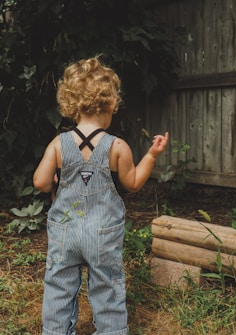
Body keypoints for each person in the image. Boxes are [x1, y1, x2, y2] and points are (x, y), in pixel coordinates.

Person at [33, 57, 169, 335]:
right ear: (109, 105)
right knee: (107, 285)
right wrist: (152, 155)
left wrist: (57, 180)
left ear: (71, 105)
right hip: (103, 232)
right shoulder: (117, 146)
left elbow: (40, 182)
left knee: (59, 284)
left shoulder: (59, 143)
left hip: (64, 231)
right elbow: (132, 183)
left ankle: (55, 331)